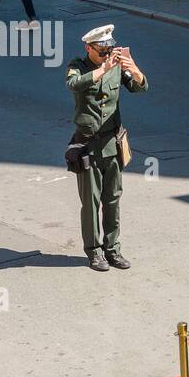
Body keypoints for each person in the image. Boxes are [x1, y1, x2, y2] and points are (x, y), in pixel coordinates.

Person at [66, 25, 148, 272]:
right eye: (101, 51)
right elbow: (73, 84)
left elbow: (140, 87)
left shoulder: (117, 66)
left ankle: (113, 249)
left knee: (112, 199)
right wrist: (103, 69)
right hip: (88, 144)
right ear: (88, 48)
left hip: (112, 142)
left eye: (108, 51)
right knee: (91, 203)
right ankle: (94, 252)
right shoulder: (78, 65)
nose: (106, 55)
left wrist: (132, 68)